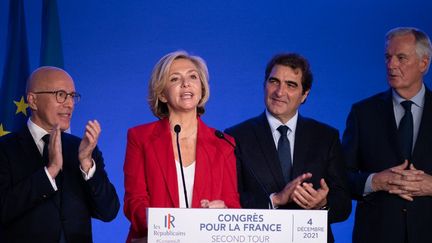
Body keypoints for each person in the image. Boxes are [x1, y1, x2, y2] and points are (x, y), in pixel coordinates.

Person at [225, 53, 351, 243]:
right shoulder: (236, 137)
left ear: (305, 94)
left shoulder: (326, 137)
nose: (279, 92)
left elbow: (343, 204)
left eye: (291, 85)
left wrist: (323, 204)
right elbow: (230, 200)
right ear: (264, 84)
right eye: (274, 81)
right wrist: (274, 199)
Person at [123, 50, 241, 242]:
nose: (186, 83)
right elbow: (134, 202)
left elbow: (233, 205)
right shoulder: (140, 137)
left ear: (201, 87)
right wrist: (168, 231)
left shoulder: (223, 143)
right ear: (162, 94)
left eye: (193, 77)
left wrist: (224, 211)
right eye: (175, 79)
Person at [0, 66, 120, 242]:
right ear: (33, 101)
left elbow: (109, 211)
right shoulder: (5, 149)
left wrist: (87, 164)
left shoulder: (83, 149)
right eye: (61, 95)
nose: (69, 104)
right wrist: (50, 172)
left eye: (72, 96)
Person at [342, 27, 432, 243]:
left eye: (401, 58)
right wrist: (375, 182)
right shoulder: (362, 113)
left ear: (424, 63)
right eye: (388, 57)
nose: (391, 65)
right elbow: (341, 177)